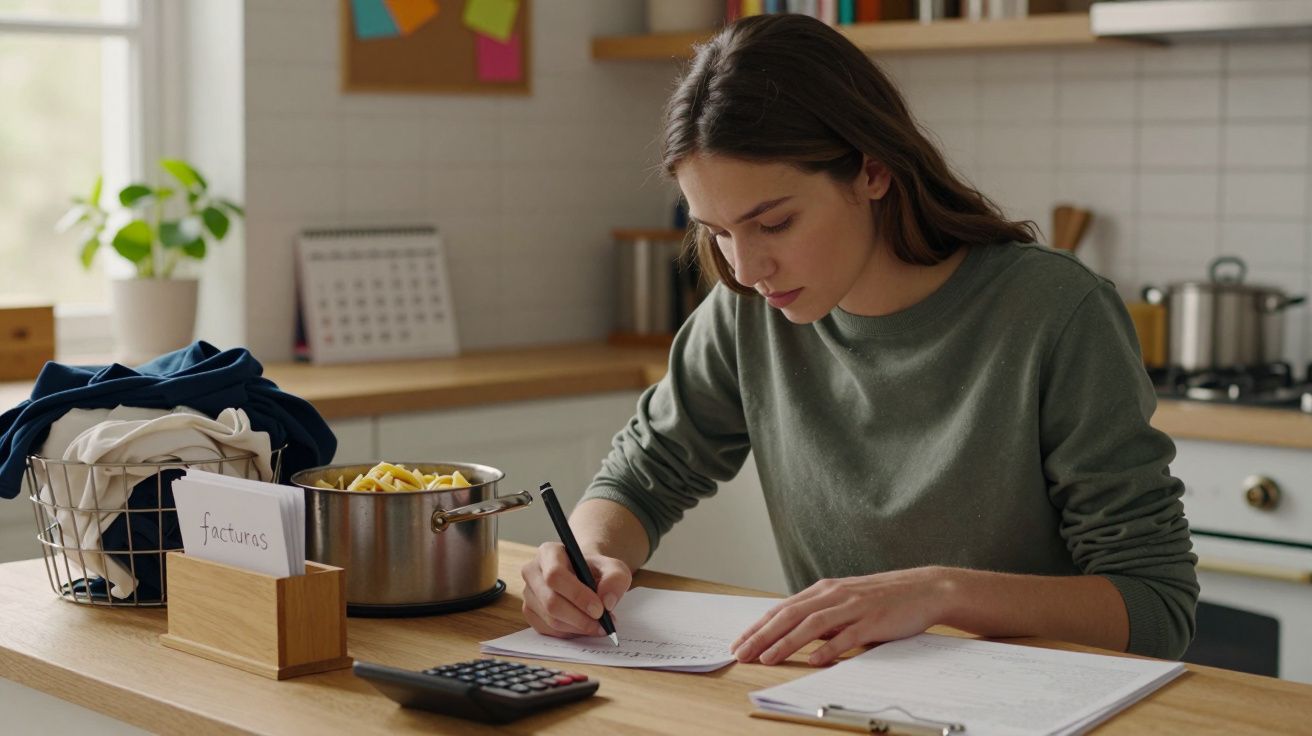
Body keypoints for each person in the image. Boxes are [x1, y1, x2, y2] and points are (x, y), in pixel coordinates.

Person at [520, 13, 1197, 667]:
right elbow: (643, 478)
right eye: (717, 231)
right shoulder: (746, 312)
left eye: (775, 223)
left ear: (872, 173)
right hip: (838, 705)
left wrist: (941, 593)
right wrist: (586, 559)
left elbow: (1155, 607)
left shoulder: (1056, 312)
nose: (747, 269)